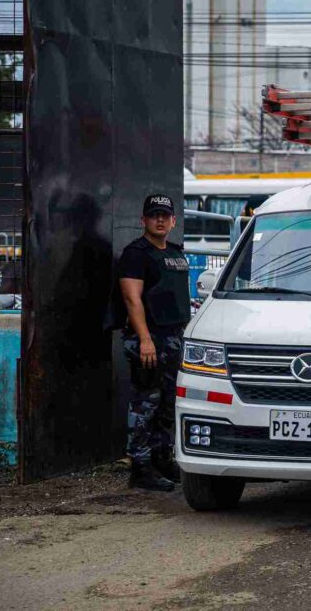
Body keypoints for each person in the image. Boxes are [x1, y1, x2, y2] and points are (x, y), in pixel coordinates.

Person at [117, 194, 191, 491]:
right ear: (143, 221)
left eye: (165, 215)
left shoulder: (175, 252)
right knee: (145, 404)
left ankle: (162, 458)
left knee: (168, 403)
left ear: (173, 221)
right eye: (153, 215)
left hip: (174, 337)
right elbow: (131, 299)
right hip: (149, 340)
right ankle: (140, 466)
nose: (159, 220)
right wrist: (145, 339)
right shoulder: (136, 253)